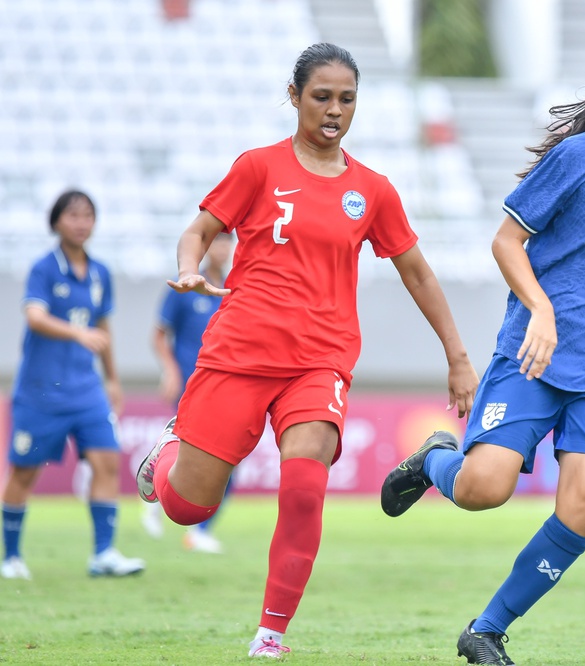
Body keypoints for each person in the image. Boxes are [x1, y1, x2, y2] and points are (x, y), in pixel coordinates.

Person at [134, 42, 479, 659]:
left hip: (322, 359)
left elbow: (418, 273)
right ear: (294, 98)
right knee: (188, 507)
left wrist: (456, 355)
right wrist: (188, 267)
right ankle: (167, 456)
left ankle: (271, 637)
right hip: (238, 352)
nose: (335, 110)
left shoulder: (372, 191)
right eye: (322, 96)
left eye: (347, 99)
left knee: (305, 476)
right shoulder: (258, 168)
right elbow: (199, 231)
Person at [380, 29, 585, 665]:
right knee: (483, 489)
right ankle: (436, 461)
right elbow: (506, 241)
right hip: (536, 355)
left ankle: (487, 630)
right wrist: (543, 308)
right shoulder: (579, 158)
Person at [1, 190, 146, 580]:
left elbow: (103, 329)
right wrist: (77, 333)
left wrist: (112, 379)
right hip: (40, 392)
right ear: (56, 222)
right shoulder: (43, 268)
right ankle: (11, 557)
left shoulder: (99, 272)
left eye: (88, 216)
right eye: (73, 215)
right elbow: (35, 316)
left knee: (106, 461)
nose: (81, 223)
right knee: (24, 474)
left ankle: (104, 554)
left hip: (86, 389)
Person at [143, 233, 235, 553]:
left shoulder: (235, 286)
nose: (222, 249)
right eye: (217, 242)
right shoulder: (188, 284)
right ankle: (158, 492)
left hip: (227, 385)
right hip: (190, 382)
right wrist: (169, 370)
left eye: (228, 243)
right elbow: (159, 335)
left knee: (229, 458)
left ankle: (197, 528)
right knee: (195, 451)